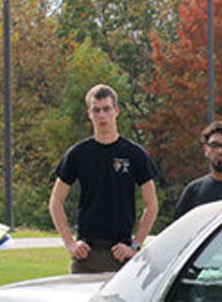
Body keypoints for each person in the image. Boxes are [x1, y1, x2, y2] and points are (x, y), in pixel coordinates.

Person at [48, 84, 158, 273]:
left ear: (116, 111)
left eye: (106, 109)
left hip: (121, 256)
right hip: (86, 256)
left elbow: (152, 205)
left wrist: (135, 246)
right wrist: (70, 244)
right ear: (89, 113)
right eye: (96, 110)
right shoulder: (78, 154)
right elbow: (55, 202)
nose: (101, 115)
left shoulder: (134, 154)